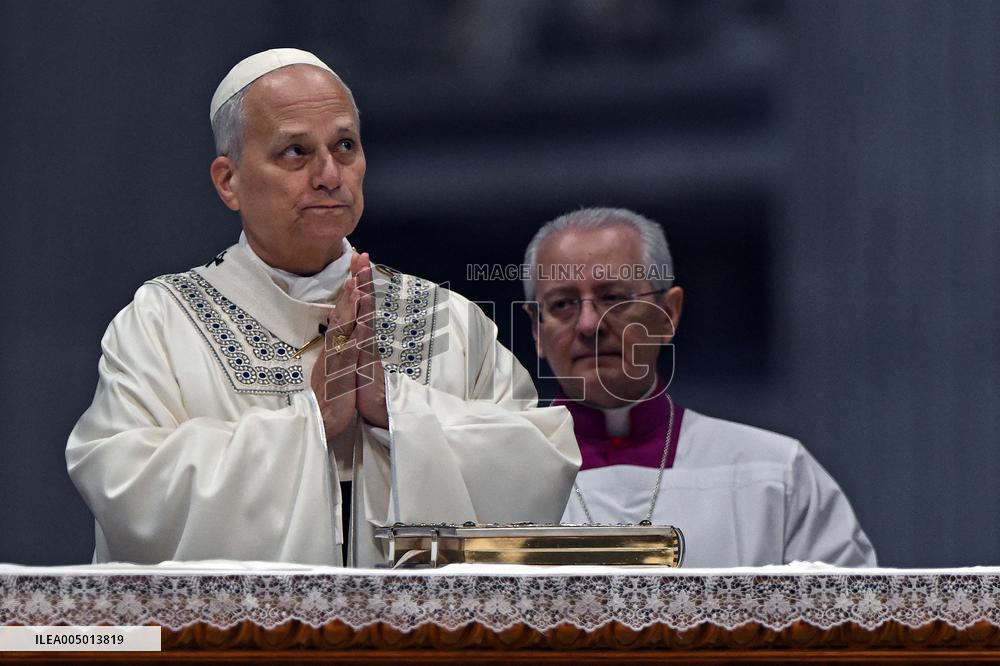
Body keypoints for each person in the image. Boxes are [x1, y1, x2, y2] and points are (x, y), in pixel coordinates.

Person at [66, 48, 580, 568]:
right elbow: (125, 486)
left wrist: (396, 413)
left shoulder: (449, 320)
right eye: (296, 151)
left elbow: (536, 467)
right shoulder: (161, 323)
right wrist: (309, 425)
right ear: (228, 180)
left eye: (345, 146)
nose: (330, 174)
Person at [522, 207, 876, 567]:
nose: (588, 324)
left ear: (668, 313)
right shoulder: (499, 479)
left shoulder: (777, 474)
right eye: (562, 304)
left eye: (613, 297)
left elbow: (855, 601)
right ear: (536, 328)